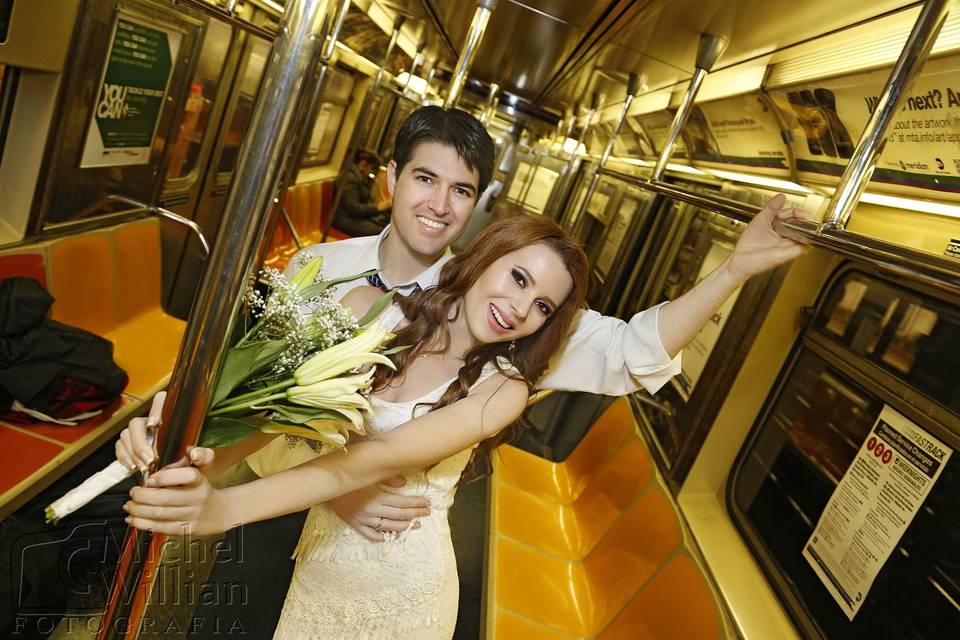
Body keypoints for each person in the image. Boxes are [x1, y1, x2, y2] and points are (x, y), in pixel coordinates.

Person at [118, 106, 811, 635]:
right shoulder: (321, 276)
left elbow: (632, 348)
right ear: (391, 179)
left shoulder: (501, 335)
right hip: (271, 513)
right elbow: (246, 395)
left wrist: (735, 270)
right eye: (424, 178)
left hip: (379, 551)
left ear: (478, 208)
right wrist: (165, 428)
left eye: (461, 190)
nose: (438, 205)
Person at [121, 215, 590, 638]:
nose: (520, 308)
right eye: (519, 278)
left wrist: (221, 509)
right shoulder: (368, 307)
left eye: (543, 306)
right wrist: (188, 455)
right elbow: (276, 414)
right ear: (487, 255)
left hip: (401, 596)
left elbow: (367, 462)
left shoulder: (501, 391)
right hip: (318, 561)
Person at [332, 148, 392, 237]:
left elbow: (366, 201)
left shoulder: (361, 179)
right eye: (371, 168)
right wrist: (380, 207)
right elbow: (354, 209)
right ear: (362, 165)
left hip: (356, 218)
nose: (372, 173)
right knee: (384, 233)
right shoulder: (349, 179)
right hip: (345, 220)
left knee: (387, 226)